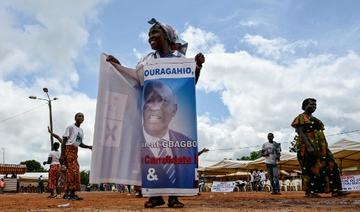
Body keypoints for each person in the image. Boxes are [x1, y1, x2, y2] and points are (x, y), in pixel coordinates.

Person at [106, 18, 205, 208]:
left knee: (175, 156)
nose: (150, 37)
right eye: (149, 34)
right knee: (151, 158)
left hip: (169, 121)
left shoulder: (181, 62)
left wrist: (198, 67)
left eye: (155, 33)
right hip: (149, 124)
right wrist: (119, 67)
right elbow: (135, 81)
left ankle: (174, 196)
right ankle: (155, 196)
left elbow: (189, 85)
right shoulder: (146, 61)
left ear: (167, 37)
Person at [291, 98, 349, 197]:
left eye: (315, 105)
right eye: (311, 104)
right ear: (305, 106)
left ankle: (336, 190)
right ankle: (310, 192)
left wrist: (324, 147)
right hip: (308, 146)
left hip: (322, 147)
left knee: (332, 165)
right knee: (311, 168)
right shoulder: (301, 117)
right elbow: (301, 132)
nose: (314, 106)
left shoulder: (316, 119)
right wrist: (309, 146)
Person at [62, 112, 92, 200]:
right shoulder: (70, 127)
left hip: (75, 151)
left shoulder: (81, 131)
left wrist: (88, 147)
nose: (81, 118)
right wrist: (62, 155)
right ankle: (70, 194)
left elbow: (80, 143)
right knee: (73, 172)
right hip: (68, 150)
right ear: (75, 118)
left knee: (74, 172)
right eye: (79, 116)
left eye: (82, 116)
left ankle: (69, 193)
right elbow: (64, 141)